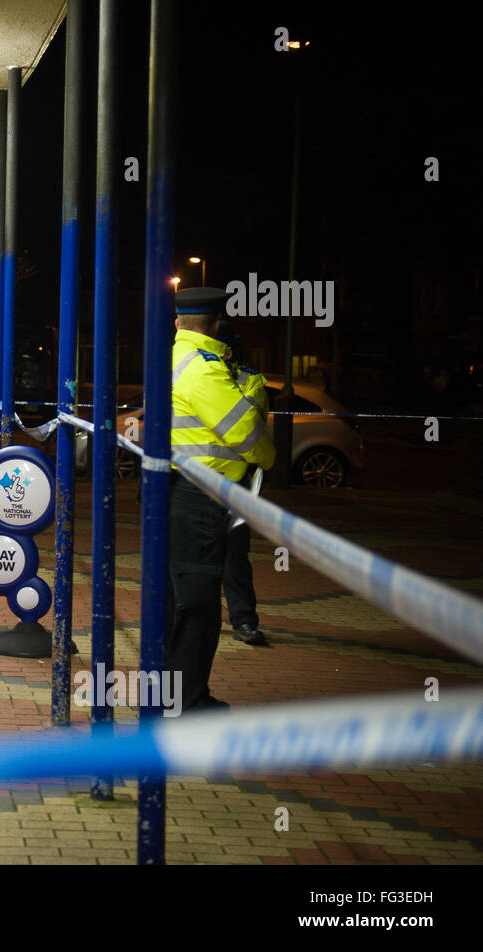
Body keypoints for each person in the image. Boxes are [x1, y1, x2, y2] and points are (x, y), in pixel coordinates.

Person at [168, 288, 276, 712]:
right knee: (198, 606)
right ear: (216, 325)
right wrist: (264, 451)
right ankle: (189, 702)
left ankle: (176, 696)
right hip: (201, 499)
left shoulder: (175, 359)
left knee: (183, 602)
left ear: (178, 322)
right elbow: (254, 440)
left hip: (181, 494)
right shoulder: (204, 370)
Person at [215, 321, 268, 645]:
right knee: (186, 560)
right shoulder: (187, 373)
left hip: (233, 485)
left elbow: (251, 429)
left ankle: (244, 620)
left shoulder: (248, 380)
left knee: (234, 559)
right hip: (192, 483)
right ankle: (187, 617)